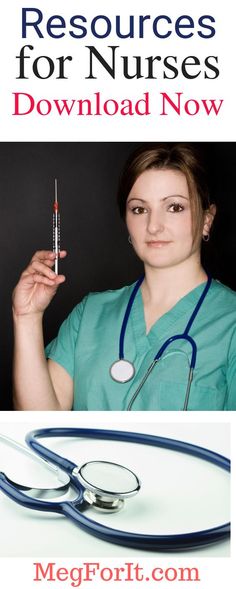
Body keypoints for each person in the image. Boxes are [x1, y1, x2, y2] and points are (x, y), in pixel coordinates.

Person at [12, 143, 236, 411]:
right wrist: (26, 318)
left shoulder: (230, 322)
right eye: (139, 209)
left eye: (175, 207)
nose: (153, 226)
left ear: (207, 220)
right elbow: (38, 420)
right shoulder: (89, 315)